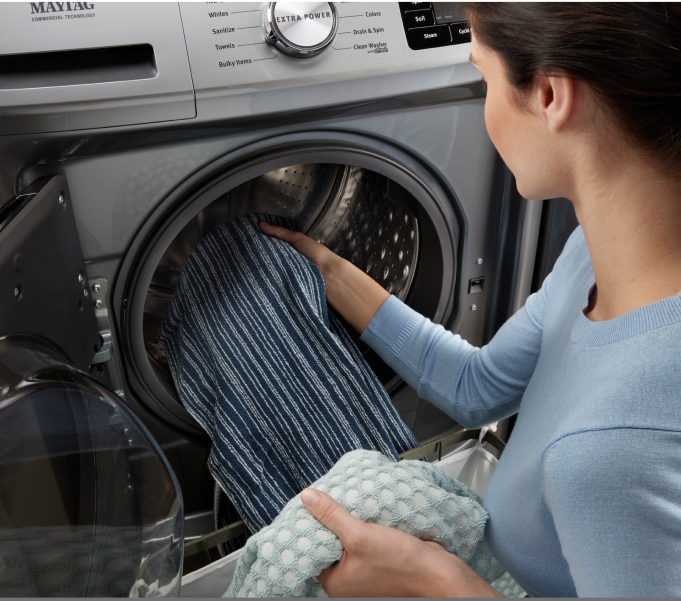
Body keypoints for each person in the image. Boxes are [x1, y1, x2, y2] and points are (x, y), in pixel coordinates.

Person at [260, 3, 681, 597]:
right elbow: (478, 387)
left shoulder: (611, 450)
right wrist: (322, 267)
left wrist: (433, 580)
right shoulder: (598, 256)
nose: (485, 104)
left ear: (550, 95)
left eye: (482, 76)